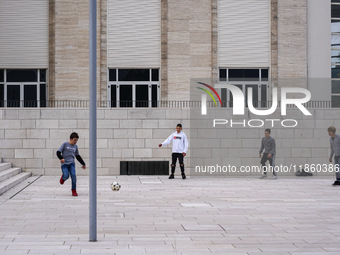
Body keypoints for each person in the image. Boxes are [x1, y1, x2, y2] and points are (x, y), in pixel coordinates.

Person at [56, 132, 86, 196]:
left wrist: (83, 164)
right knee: (66, 176)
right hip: (64, 164)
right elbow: (58, 152)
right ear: (70, 139)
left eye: (77, 140)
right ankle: (63, 177)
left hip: (72, 164)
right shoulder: (65, 144)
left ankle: (74, 190)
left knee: (73, 176)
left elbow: (77, 156)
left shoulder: (75, 146)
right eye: (74, 140)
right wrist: (61, 158)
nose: (75, 142)